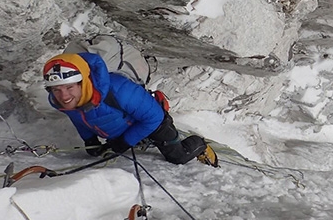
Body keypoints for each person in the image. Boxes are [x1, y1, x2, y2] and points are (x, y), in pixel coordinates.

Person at [42, 52, 218, 167]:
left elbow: (154, 117)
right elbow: (79, 118)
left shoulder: (119, 90)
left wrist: (124, 142)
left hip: (154, 123)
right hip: (123, 127)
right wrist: (90, 140)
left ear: (84, 83)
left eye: (69, 88)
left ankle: (200, 144)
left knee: (177, 157)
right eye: (56, 89)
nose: (63, 96)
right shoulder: (65, 102)